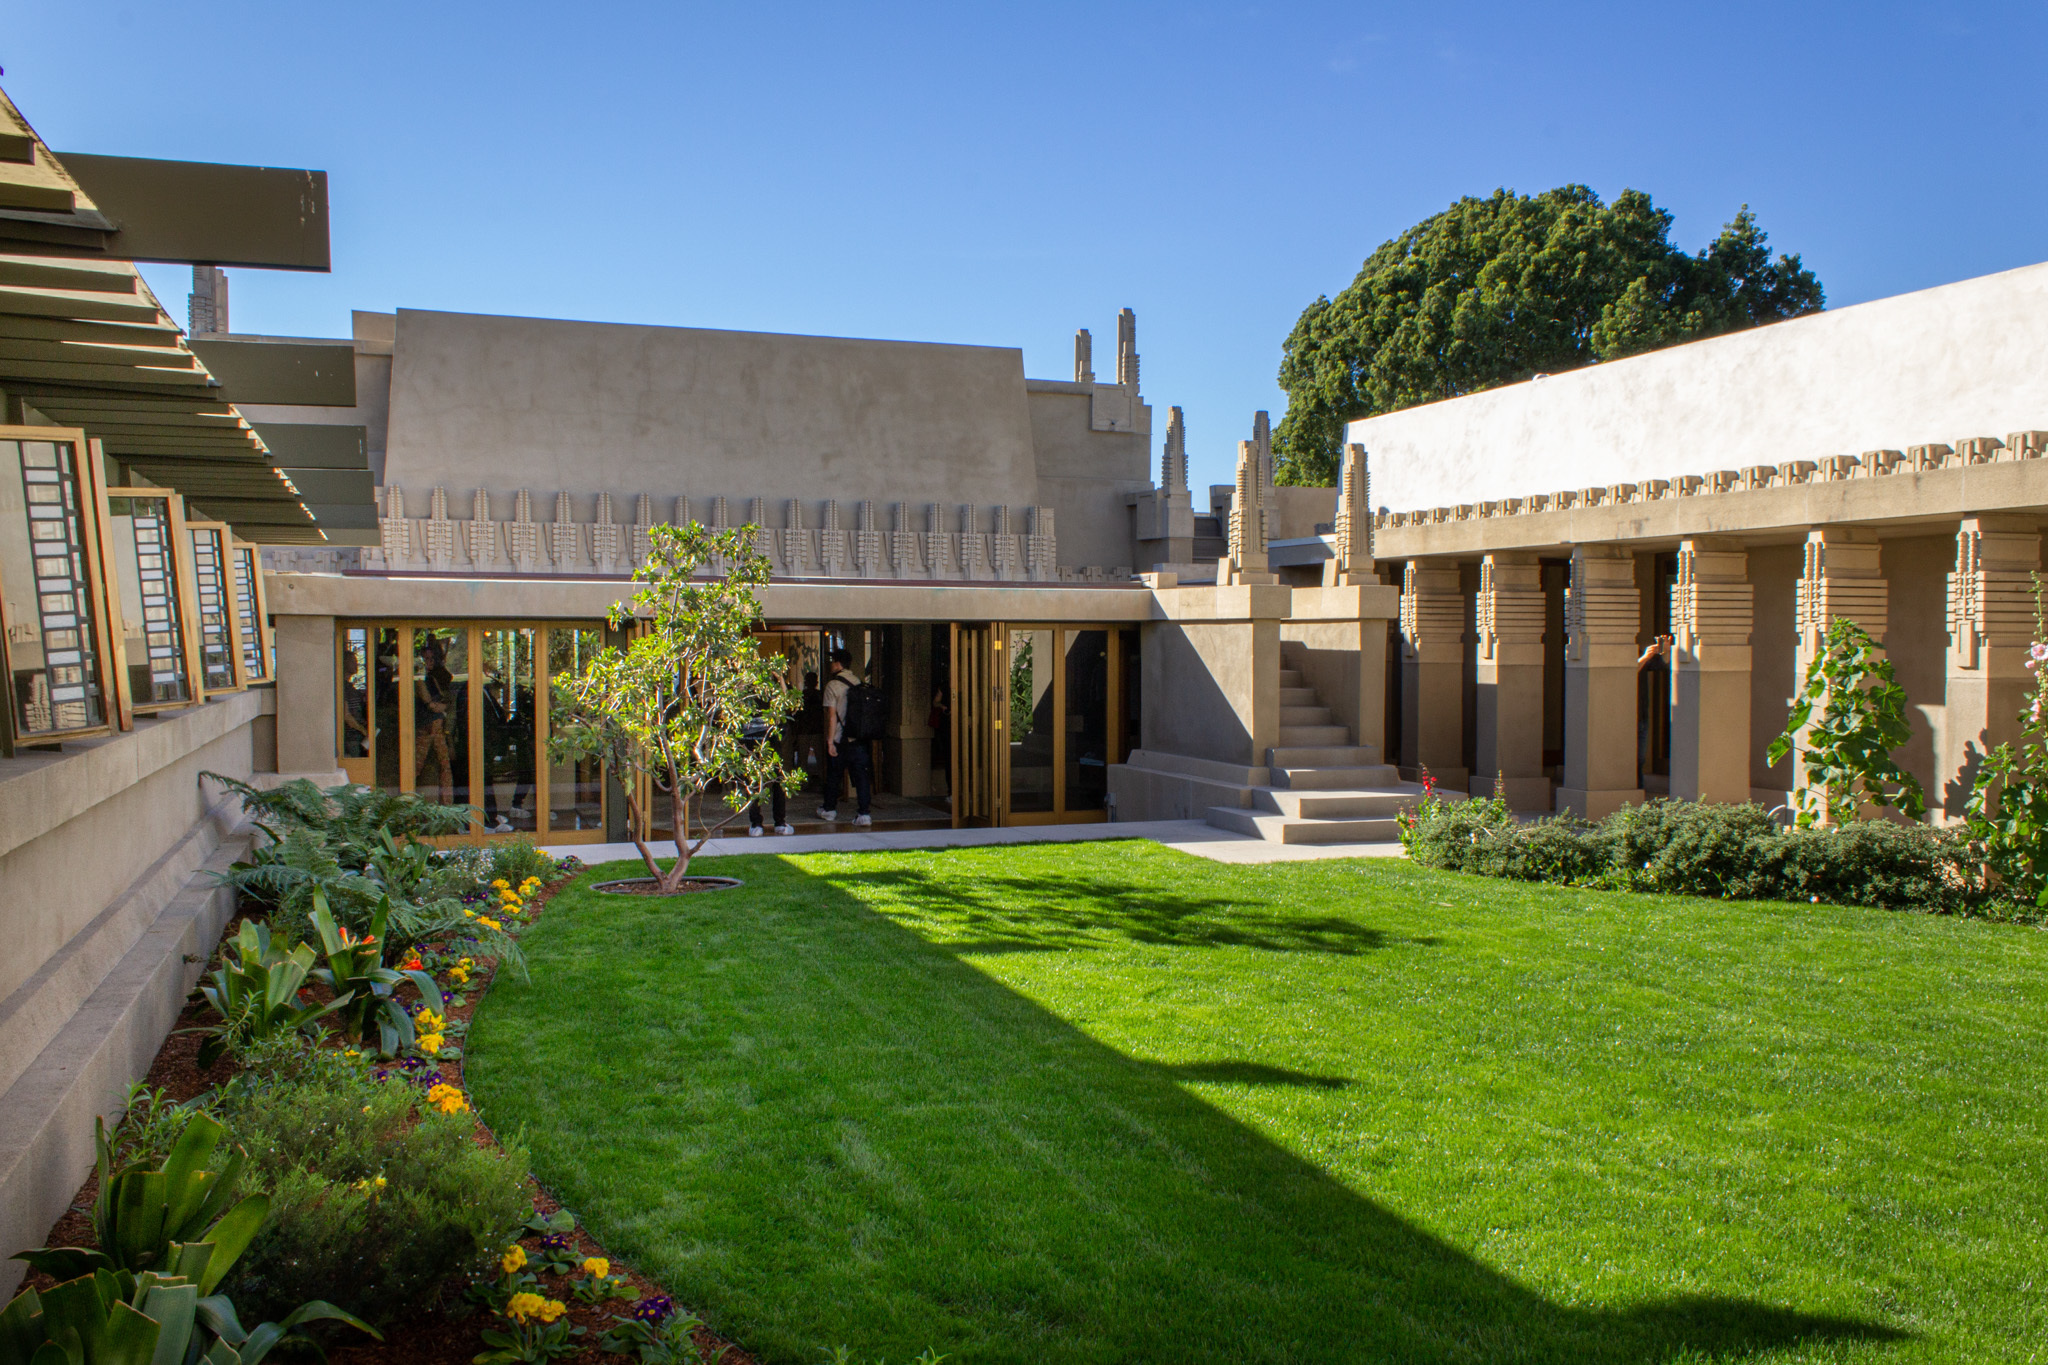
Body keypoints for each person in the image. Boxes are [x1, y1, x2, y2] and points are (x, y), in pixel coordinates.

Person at [818, 648, 873, 827]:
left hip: (840, 738)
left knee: (834, 775)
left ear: (838, 663)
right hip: (858, 737)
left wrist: (830, 741)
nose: (831, 664)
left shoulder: (833, 685)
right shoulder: (857, 681)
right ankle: (864, 813)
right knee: (861, 776)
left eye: (833, 661)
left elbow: (832, 716)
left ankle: (829, 809)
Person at [742, 707, 794, 837]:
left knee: (760, 782)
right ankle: (777, 823)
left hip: (754, 740)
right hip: (767, 741)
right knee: (776, 781)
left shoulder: (747, 692)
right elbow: (787, 702)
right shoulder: (772, 694)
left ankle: (758, 824)